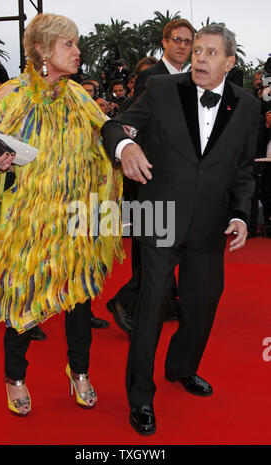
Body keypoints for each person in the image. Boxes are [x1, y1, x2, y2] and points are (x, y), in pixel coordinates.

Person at [101, 25, 260, 435]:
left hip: (211, 223)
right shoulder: (161, 88)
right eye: (197, 51)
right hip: (161, 215)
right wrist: (126, 147)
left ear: (230, 62)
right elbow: (114, 127)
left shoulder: (246, 106)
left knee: (203, 303)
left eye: (210, 53)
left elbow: (243, 170)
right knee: (152, 304)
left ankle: (181, 367)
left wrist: (241, 215)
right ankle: (140, 394)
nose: (200, 59)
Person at [0, 14, 123, 417]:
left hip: (75, 220)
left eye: (76, 44)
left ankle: (80, 372)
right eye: (68, 44)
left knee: (79, 302)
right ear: (41, 50)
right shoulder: (11, 94)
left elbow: (103, 135)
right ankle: (15, 379)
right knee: (21, 301)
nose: (77, 51)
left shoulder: (78, 95)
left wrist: (123, 145)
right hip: (27, 222)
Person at [107, 18, 195, 332]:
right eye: (177, 40)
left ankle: (164, 301)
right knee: (152, 250)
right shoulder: (152, 77)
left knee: (165, 243)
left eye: (188, 41)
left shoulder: (194, 78)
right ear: (164, 42)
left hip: (179, 176)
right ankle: (125, 302)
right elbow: (134, 120)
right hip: (149, 174)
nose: (183, 46)